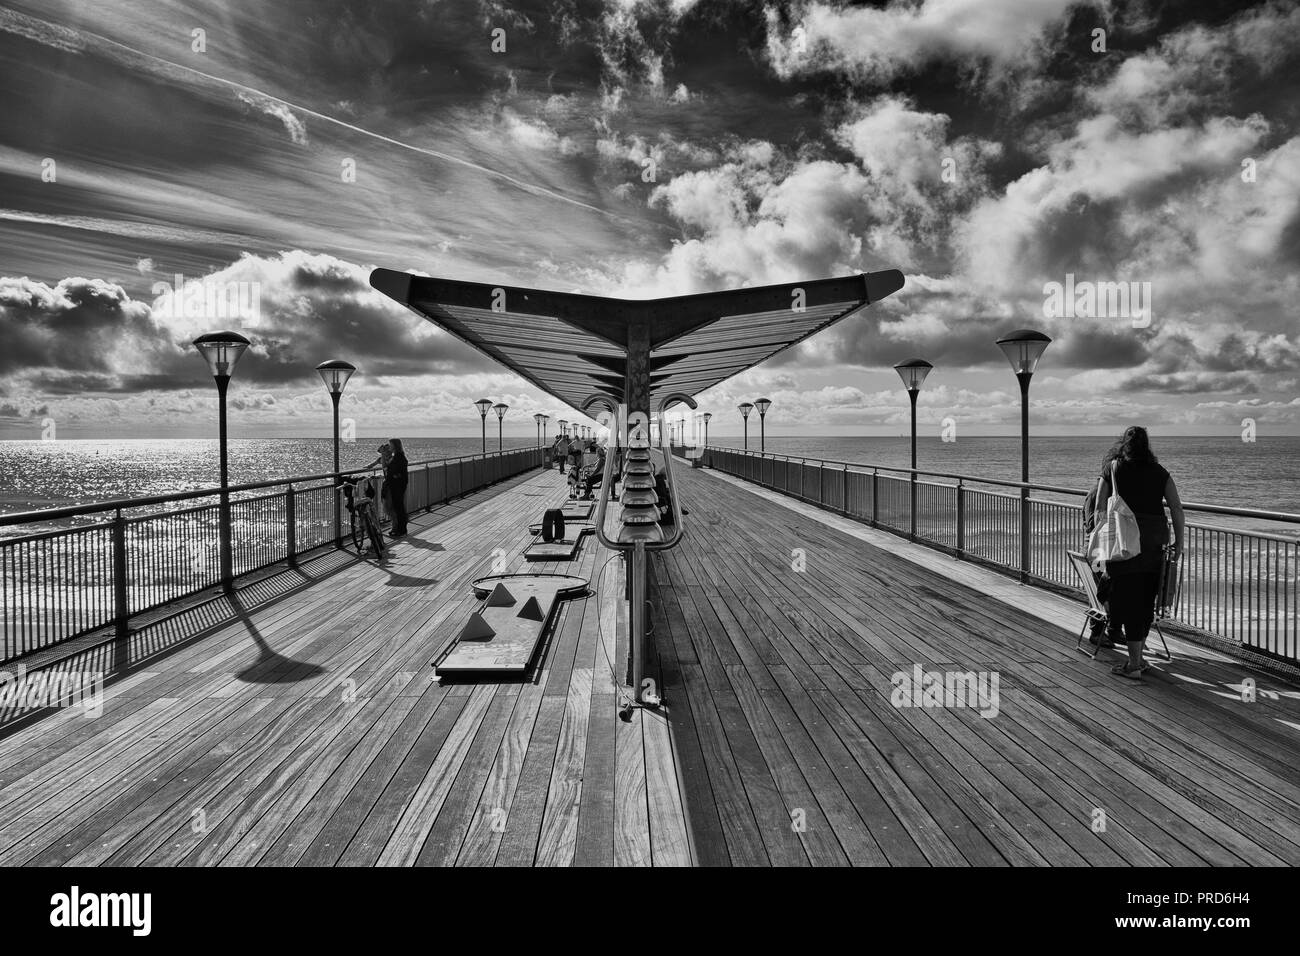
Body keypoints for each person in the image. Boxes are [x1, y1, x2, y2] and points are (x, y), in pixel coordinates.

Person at [1093, 426, 1185, 679]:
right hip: (1154, 541)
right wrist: (1180, 541)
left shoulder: (1113, 468)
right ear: (1147, 445)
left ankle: (1134, 664)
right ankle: (1139, 659)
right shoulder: (1160, 472)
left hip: (1123, 541)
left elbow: (1100, 506)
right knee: (1146, 599)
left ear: (1124, 443)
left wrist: (1098, 539)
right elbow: (1176, 508)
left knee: (1128, 598)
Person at [385, 437, 409, 537]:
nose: (389, 446)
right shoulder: (398, 456)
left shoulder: (398, 457)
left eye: (390, 445)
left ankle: (401, 530)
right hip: (398, 485)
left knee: (398, 508)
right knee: (398, 507)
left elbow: (393, 470)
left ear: (395, 446)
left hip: (397, 485)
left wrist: (394, 475)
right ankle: (400, 529)